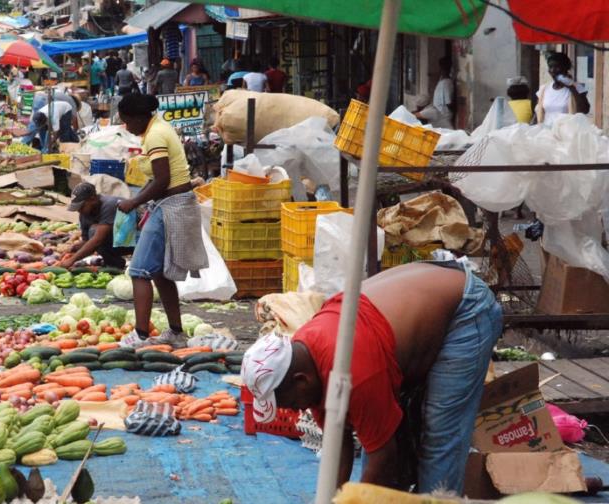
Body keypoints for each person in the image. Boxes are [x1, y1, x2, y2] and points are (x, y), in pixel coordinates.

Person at [241, 261, 502, 494]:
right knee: (383, 442)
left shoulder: (354, 372)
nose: (297, 410)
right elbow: (338, 440)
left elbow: (383, 456)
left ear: (301, 381)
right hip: (420, 299)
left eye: (291, 403)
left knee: (438, 433)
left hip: (465, 308)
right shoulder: (302, 358)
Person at [116, 94, 208, 349]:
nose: (127, 127)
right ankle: (176, 333)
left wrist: (134, 203)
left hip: (172, 205)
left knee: (139, 270)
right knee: (159, 272)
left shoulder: (156, 134)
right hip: (170, 203)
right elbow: (157, 179)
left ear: (137, 117)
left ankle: (141, 334)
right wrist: (139, 200)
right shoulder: (158, 128)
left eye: (127, 122)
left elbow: (162, 180)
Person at [59, 182, 133, 270]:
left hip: (136, 240)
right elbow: (87, 241)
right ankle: (115, 264)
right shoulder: (84, 214)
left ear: (92, 198)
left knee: (94, 232)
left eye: (82, 206)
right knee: (93, 234)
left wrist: (72, 260)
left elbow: (97, 240)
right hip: (121, 242)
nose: (79, 211)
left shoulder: (110, 205)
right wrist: (73, 250)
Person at [536, 52, 590, 127]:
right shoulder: (544, 89)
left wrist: (571, 88)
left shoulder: (577, 87)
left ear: (565, 68)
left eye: (557, 67)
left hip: (567, 133)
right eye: (550, 67)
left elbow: (584, 110)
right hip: (547, 133)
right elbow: (538, 111)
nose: (553, 70)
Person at [414, 56, 454, 129]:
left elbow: (448, 102)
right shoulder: (442, 81)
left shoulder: (446, 83)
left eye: (442, 68)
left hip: (444, 114)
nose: (440, 70)